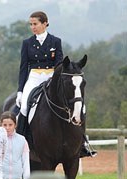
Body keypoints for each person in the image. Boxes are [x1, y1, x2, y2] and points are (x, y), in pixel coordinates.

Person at [15, 11, 96, 158]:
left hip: (52, 77)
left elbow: (59, 64)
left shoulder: (55, 41)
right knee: (25, 107)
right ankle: (20, 142)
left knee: (81, 106)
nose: (33, 27)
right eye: (31, 24)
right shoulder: (27, 43)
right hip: (33, 77)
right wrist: (20, 91)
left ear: (45, 23)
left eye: (35, 24)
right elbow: (23, 68)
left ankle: (83, 143)